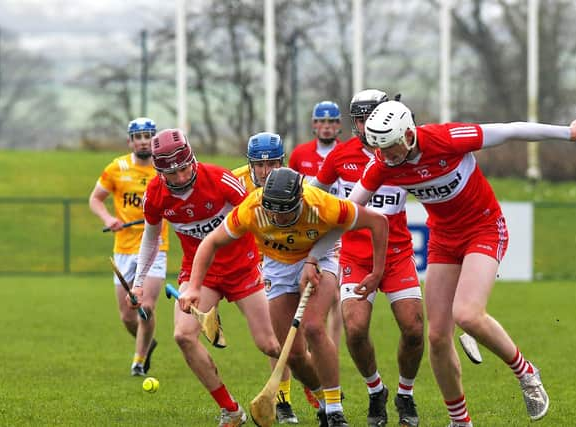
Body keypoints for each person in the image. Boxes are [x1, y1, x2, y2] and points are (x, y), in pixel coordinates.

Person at [350, 100, 576, 426]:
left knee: (467, 315)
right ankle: (460, 421)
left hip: (484, 228)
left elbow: (511, 131)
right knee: (436, 338)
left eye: (391, 147)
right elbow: (346, 210)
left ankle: (527, 373)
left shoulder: (447, 138)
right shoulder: (383, 164)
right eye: (381, 149)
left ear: (408, 134)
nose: (387, 156)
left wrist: (567, 132)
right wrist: (311, 244)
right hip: (443, 241)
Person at [181, 167, 390, 427]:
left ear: (299, 201)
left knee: (313, 327)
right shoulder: (253, 208)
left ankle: (335, 410)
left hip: (320, 257)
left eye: (285, 210)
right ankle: (323, 400)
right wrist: (193, 287)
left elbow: (378, 222)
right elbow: (210, 242)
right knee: (292, 355)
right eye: (273, 210)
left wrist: (377, 271)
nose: (278, 217)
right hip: (277, 267)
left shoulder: (321, 204)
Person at [129, 128, 281, 427]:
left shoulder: (222, 180)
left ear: (192, 160)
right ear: (160, 172)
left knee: (271, 345)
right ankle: (231, 410)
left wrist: (276, 264)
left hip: (243, 268)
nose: (182, 177)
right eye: (173, 173)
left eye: (185, 168)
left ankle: (311, 399)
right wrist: (137, 282)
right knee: (183, 336)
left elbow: (258, 220)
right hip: (199, 276)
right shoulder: (155, 195)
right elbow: (150, 240)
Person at [310, 89, 424, 427]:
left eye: (368, 117)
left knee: (414, 328)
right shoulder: (340, 156)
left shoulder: (403, 152)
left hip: (398, 251)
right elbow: (314, 195)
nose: (362, 125)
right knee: (356, 329)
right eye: (357, 119)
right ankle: (376, 390)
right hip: (355, 255)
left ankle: (406, 393)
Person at [232, 132, 308, 424]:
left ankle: (317, 388)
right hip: (257, 263)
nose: (265, 172)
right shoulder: (236, 181)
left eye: (272, 164)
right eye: (259, 165)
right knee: (277, 336)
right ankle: (283, 400)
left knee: (307, 331)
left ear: (282, 162)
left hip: (292, 258)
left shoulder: (296, 182)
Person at [88, 117, 169, 377]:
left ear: (154, 140)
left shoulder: (164, 168)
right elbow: (96, 199)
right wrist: (109, 218)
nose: (143, 141)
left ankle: (138, 360)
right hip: (123, 248)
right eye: (138, 137)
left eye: (148, 136)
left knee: (145, 306)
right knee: (127, 316)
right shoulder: (117, 167)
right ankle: (146, 341)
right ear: (130, 141)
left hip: (156, 245)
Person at [288, 100, 344, 380]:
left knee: (335, 296)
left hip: (339, 230)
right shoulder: (300, 154)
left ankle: (328, 349)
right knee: (307, 289)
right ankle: (312, 343)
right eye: (321, 121)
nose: (326, 126)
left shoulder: (345, 153)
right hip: (308, 230)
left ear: (339, 125)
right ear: (313, 124)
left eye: (331, 121)